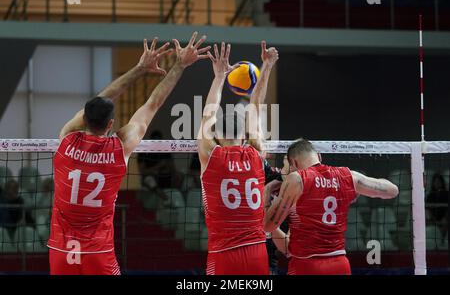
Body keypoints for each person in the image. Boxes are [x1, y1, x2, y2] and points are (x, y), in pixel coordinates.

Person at [48, 32, 210, 275]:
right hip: (97, 253)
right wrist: (180, 65)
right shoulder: (119, 148)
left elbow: (101, 100)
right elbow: (152, 104)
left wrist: (139, 69)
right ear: (111, 124)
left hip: (61, 250)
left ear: (84, 118)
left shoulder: (66, 141)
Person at [197, 41, 279, 275]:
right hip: (257, 252)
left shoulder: (210, 155)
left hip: (223, 254)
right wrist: (268, 65)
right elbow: (256, 106)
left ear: (218, 136)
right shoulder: (256, 153)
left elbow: (208, 113)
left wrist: (219, 76)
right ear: (243, 136)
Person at [264, 138, 399, 275]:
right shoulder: (347, 176)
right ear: (319, 157)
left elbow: (268, 226)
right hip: (340, 264)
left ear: (293, 163)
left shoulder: (297, 179)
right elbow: (393, 190)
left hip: (306, 265)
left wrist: (267, 192)